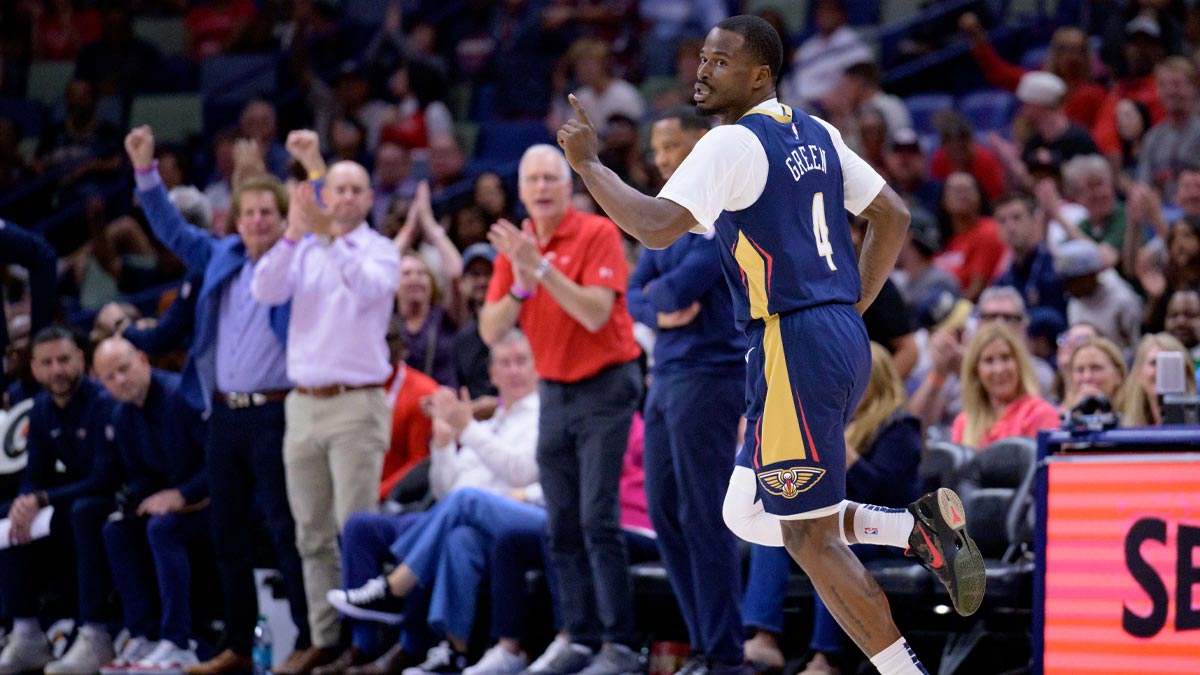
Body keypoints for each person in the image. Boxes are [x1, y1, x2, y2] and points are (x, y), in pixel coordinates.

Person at [555, 15, 984, 674]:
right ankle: (909, 529)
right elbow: (891, 217)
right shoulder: (816, 131)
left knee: (806, 537)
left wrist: (588, 164)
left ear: (759, 74)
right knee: (745, 510)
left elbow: (651, 226)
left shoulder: (728, 144)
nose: (702, 70)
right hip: (825, 333)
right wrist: (849, 307)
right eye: (701, 57)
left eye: (720, 61)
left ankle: (905, 669)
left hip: (794, 339)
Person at [123, 126, 314, 675]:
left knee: (283, 528)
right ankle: (235, 645)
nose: (256, 220)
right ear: (234, 219)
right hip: (224, 414)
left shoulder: (297, 265)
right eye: (247, 212)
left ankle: (306, 640)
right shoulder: (220, 255)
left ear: (282, 221)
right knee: (226, 531)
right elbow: (170, 229)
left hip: (278, 411)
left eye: (266, 213)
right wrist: (145, 171)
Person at [480, 144, 643, 675]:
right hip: (552, 389)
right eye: (533, 180)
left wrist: (540, 271)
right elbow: (490, 329)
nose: (543, 187)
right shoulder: (517, 249)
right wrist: (523, 283)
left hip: (606, 386)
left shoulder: (596, 233)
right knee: (561, 522)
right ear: (521, 190)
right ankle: (579, 637)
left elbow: (596, 314)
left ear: (567, 185)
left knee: (597, 517)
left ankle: (620, 646)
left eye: (552, 177)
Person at [251, 132, 401, 668]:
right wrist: (293, 236)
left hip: (355, 405)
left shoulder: (381, 251)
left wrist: (328, 240)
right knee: (310, 533)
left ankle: (367, 643)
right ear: (323, 195)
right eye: (335, 189)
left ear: (367, 199)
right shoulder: (306, 247)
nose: (344, 198)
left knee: (355, 526)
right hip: (303, 403)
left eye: (355, 189)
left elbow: (368, 291)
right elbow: (264, 291)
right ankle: (327, 639)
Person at [321, 329, 541, 675]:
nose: (514, 371)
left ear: (536, 368)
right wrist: (442, 443)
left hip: (506, 517)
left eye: (522, 362)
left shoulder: (539, 415)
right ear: (492, 373)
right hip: (455, 516)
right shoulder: (492, 420)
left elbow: (517, 472)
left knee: (465, 511)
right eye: (505, 363)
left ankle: (397, 595)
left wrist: (467, 427)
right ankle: (372, 645)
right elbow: (445, 490)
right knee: (363, 526)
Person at [626, 106, 746, 675]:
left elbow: (676, 293)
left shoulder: (719, 211)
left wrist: (658, 301)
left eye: (670, 147)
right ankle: (704, 645)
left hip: (711, 375)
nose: (662, 159)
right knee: (664, 513)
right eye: (655, 150)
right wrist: (656, 303)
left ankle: (724, 655)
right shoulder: (664, 219)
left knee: (704, 516)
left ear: (700, 145)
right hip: (666, 378)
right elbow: (637, 296)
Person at [746, 343, 923, 675]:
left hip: (887, 534)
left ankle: (825, 659)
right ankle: (764, 638)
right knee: (775, 533)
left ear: (878, 378)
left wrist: (839, 448)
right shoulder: (835, 426)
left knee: (830, 544)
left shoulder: (900, 427)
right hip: (842, 526)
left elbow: (880, 491)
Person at [0, 327, 120, 675]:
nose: (57, 370)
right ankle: (26, 632)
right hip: (72, 494)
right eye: (47, 363)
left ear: (81, 359)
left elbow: (104, 478)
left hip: (110, 495)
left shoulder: (102, 403)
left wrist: (42, 497)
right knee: (9, 515)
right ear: (34, 369)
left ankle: (95, 633)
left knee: (83, 513)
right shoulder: (39, 410)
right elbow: (34, 474)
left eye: (64, 359)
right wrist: (26, 499)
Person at [92, 338, 211, 675]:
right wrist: (133, 499)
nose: (119, 381)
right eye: (109, 377)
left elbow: (220, 462)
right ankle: (143, 635)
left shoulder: (181, 396)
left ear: (143, 360)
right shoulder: (122, 414)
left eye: (124, 369)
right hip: (172, 504)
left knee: (162, 528)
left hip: (214, 501)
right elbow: (142, 475)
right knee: (116, 529)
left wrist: (182, 495)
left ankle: (179, 642)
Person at [950, 323, 1061, 449]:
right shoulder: (963, 423)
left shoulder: (1040, 414)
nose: (999, 369)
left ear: (1019, 364)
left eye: (1006, 358)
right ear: (976, 371)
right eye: (989, 361)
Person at [1055, 239, 1143, 355]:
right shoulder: (1075, 299)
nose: (1067, 287)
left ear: (1092, 274)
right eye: (1064, 280)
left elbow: (1136, 347)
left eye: (1072, 280)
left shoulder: (1122, 299)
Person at [993, 191, 1068, 322]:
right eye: (1002, 221)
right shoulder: (1003, 280)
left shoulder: (1057, 266)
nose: (1010, 227)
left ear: (1035, 221)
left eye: (1017, 218)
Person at [1117, 333, 1198, 426]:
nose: (1162, 371)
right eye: (1154, 363)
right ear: (1138, 373)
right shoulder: (1123, 426)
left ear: (1186, 373)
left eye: (1170, 363)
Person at [1061, 336, 1126, 413]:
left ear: (1119, 375)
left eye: (1096, 368)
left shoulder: (1135, 420)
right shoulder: (1060, 419)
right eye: (1080, 370)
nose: (1087, 377)